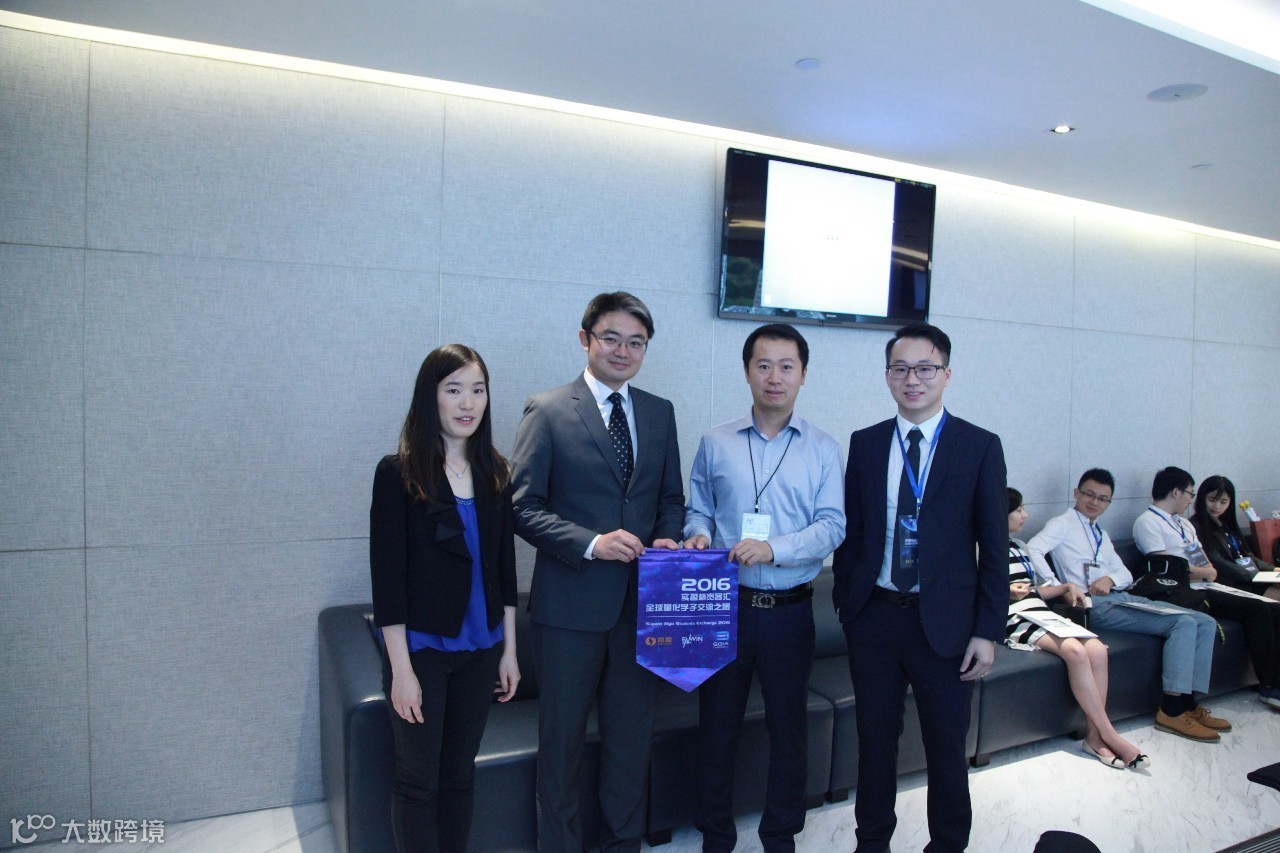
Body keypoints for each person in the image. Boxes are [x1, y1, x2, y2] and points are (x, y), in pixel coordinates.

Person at [510, 291, 684, 852]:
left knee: (630, 745)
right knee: (560, 746)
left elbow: (670, 498)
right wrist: (592, 544)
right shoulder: (548, 410)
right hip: (569, 611)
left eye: (636, 342)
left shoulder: (659, 412)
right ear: (585, 339)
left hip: (642, 610)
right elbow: (521, 507)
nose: (623, 351)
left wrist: (668, 536)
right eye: (612, 338)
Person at [831, 322, 1007, 853]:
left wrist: (987, 630)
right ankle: (872, 843)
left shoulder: (979, 446)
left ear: (946, 374)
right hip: (875, 617)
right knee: (874, 743)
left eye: (925, 368)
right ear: (887, 376)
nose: (913, 379)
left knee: (946, 748)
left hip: (947, 625)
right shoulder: (865, 444)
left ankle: (948, 845)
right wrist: (848, 605)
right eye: (901, 368)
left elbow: (993, 546)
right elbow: (854, 533)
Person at [684, 323, 845, 852]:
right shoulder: (715, 442)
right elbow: (698, 509)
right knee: (716, 730)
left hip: (789, 611)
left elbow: (833, 526)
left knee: (788, 730)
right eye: (764, 365)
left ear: (803, 375)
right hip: (723, 606)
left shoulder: (824, 448)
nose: (775, 377)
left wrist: (774, 547)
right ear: (747, 371)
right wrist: (698, 534)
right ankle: (716, 838)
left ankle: (780, 837)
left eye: (786, 366)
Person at [368, 344, 520, 853]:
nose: (467, 403)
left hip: (481, 651)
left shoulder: (496, 472)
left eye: (477, 390)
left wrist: (509, 652)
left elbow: (504, 569)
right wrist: (401, 672)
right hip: (423, 654)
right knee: (418, 781)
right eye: (454, 390)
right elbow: (387, 582)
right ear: (429, 396)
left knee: (460, 773)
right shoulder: (398, 474)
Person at [1026, 468, 1225, 742]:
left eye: (1102, 499)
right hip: (1095, 605)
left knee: (1205, 622)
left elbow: (1125, 574)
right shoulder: (1062, 524)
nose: (1094, 502)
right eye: (1089, 494)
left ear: (1109, 503)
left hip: (1120, 596)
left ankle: (1189, 704)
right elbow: (1033, 548)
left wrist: (1109, 578)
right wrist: (1060, 587)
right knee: (1183, 622)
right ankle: (1171, 710)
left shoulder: (1100, 533)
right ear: (1076, 493)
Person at [1006, 487, 1148, 769]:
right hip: (1010, 615)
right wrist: (1006, 592)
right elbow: (972, 592)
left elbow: (1033, 591)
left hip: (1038, 611)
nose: (1025, 515)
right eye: (1019, 510)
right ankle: (1109, 734)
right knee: (1074, 650)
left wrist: (1065, 587)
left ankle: (1094, 737)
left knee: (1097, 649)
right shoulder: (979, 548)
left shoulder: (1019, 546)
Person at [1135, 467, 1280, 711]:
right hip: (1182, 592)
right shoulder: (1147, 523)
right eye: (1190, 494)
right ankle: (1269, 686)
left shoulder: (1183, 524)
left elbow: (1205, 563)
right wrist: (1203, 572)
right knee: (1257, 609)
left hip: (1207, 584)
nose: (1191, 500)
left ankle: (1273, 680)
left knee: (1274, 609)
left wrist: (1205, 572)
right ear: (1176, 492)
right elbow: (1165, 569)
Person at [1190, 474, 1280, 604]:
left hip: (1248, 577)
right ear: (1202, 498)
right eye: (1212, 499)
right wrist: (1255, 576)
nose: (1217, 506)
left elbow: (1247, 555)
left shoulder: (1227, 523)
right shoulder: (1195, 526)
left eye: (1223, 502)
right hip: (1228, 581)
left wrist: (1273, 570)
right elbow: (1218, 562)